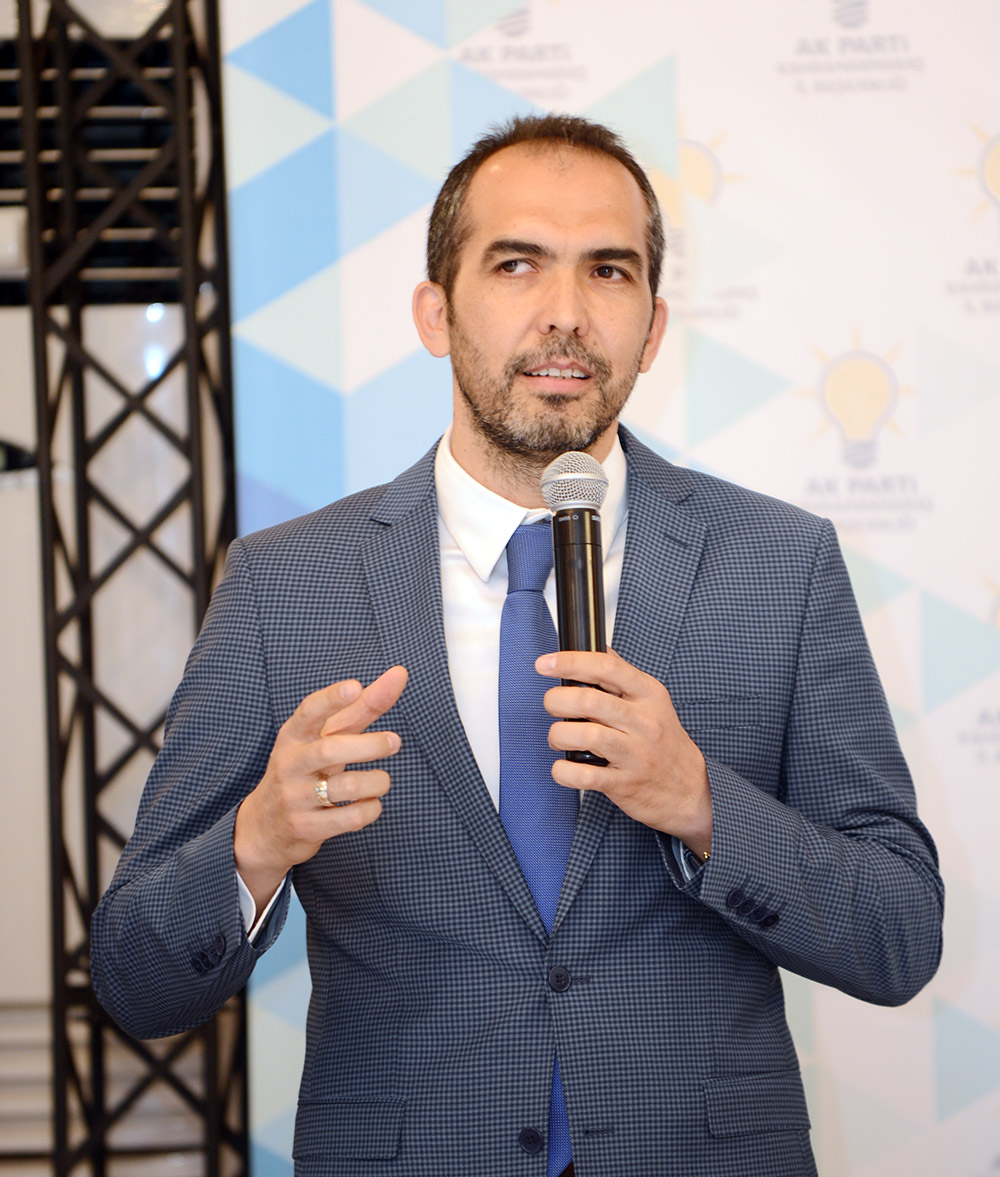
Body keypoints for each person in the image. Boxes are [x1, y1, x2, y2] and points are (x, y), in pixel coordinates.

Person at [91, 114, 943, 1177]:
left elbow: (899, 935)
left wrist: (702, 804)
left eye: (608, 271)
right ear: (435, 312)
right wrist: (255, 840)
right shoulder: (284, 584)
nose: (566, 313)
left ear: (653, 328)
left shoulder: (779, 565)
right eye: (516, 264)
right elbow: (136, 982)